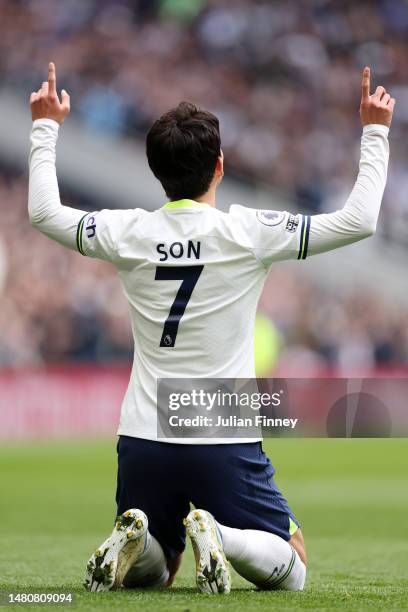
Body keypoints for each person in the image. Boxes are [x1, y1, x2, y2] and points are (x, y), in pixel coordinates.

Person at [28, 63, 394, 594]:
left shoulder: (125, 230)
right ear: (220, 166)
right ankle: (221, 533)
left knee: (160, 565)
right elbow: (358, 220)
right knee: (294, 565)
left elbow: (43, 213)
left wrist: (44, 127)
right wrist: (375, 129)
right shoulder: (249, 231)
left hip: (142, 434)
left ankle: (138, 539)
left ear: (155, 169)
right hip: (221, 430)